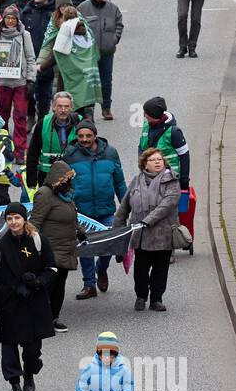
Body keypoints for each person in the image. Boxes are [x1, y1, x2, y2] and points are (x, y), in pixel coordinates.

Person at [0, 202, 57, 391]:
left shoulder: (37, 240)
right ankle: (15, 388)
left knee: (32, 351)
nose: (13, 222)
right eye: (9, 219)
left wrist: (37, 282)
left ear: (24, 219)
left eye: (17, 218)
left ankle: (29, 373)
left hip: (33, 303)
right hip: (9, 304)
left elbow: (51, 269)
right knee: (9, 350)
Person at [63, 120, 126, 300]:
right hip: (81, 211)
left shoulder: (110, 153)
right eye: (81, 136)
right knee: (86, 248)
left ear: (95, 136)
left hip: (106, 210)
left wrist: (127, 205)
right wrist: (68, 203)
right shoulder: (70, 155)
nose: (84, 139)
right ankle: (89, 284)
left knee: (110, 243)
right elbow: (63, 184)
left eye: (88, 136)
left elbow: (119, 183)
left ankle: (102, 268)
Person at [114, 147, 180, 312]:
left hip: (162, 234)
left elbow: (167, 205)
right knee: (141, 269)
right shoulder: (137, 180)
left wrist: (146, 221)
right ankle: (141, 296)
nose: (158, 162)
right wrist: (117, 233)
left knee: (160, 268)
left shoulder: (171, 181)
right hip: (140, 235)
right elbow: (124, 207)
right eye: (153, 160)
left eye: (160, 159)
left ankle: (156, 299)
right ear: (145, 164)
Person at [30, 159, 85, 333]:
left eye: (69, 180)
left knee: (60, 285)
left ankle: (54, 317)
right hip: (50, 250)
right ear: (56, 179)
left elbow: (72, 218)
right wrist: (32, 248)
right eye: (64, 180)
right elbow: (35, 222)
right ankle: (40, 318)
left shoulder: (67, 196)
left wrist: (80, 230)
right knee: (47, 286)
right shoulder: (45, 194)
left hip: (66, 248)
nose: (68, 183)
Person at [0, 3, 36, 161]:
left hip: (20, 82)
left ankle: (20, 152)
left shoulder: (24, 35)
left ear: (18, 20)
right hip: (2, 82)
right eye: (8, 18)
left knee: (20, 117)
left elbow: (31, 58)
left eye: (13, 18)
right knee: (2, 118)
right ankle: (4, 149)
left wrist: (31, 79)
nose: (10, 21)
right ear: (3, 19)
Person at [79, 0, 123, 120]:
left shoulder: (113, 8)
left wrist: (113, 40)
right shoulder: (82, 8)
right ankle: (89, 111)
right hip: (89, 54)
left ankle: (106, 108)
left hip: (107, 52)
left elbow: (119, 25)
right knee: (89, 82)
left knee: (106, 81)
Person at [25, 90, 79, 190]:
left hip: (73, 174)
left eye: (66, 106)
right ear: (54, 107)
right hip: (46, 175)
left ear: (71, 108)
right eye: (60, 106)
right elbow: (33, 152)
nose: (63, 110)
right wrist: (31, 181)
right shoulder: (43, 123)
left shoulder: (79, 123)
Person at [138, 96, 190, 193]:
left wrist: (184, 183)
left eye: (147, 113)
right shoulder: (146, 125)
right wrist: (142, 168)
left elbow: (185, 157)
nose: (144, 115)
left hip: (169, 180)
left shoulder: (174, 132)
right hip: (149, 177)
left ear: (154, 116)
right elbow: (141, 146)